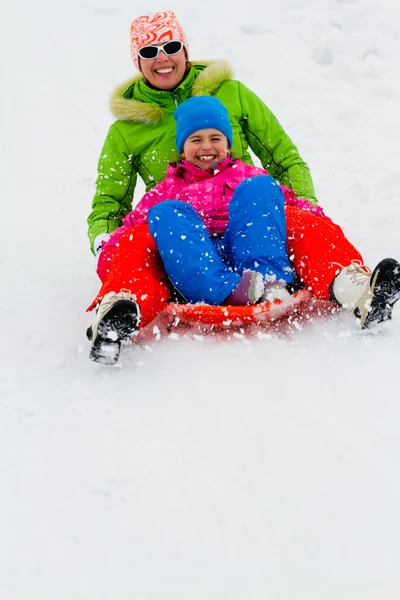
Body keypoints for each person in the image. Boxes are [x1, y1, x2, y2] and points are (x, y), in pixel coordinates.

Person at [86, 96, 400, 365]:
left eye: (215, 138)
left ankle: (353, 289)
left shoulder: (246, 174)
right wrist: (111, 258)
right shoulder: (165, 190)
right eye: (195, 140)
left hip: (254, 254)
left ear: (228, 143)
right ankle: (119, 314)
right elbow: (128, 233)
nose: (206, 147)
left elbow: (295, 207)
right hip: (198, 266)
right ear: (182, 148)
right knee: (159, 219)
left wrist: (317, 222)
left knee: (266, 193)